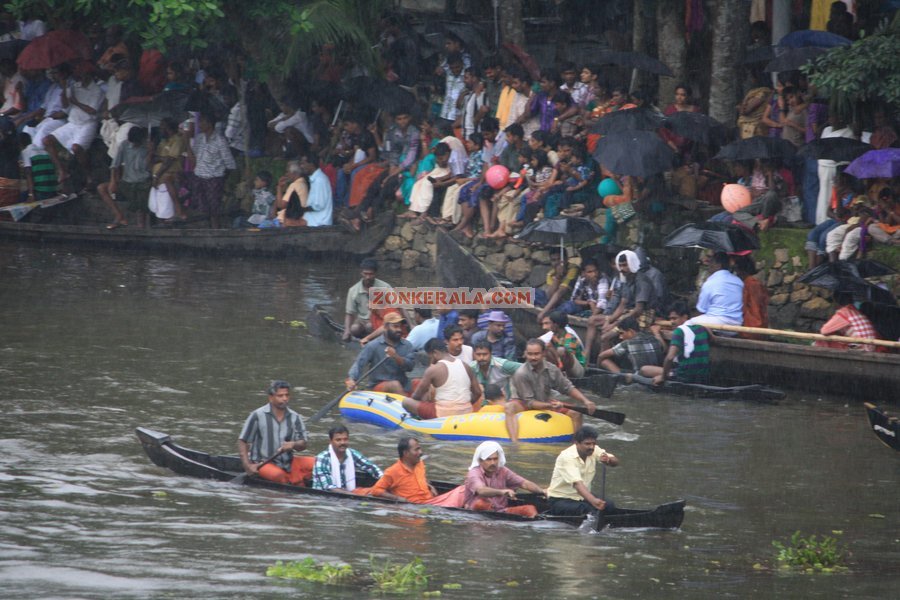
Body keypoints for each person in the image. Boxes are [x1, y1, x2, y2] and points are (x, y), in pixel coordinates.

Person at [508, 339, 597, 442]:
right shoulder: (521, 373)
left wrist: (586, 401)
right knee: (509, 407)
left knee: (577, 412)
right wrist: (551, 405)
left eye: (536, 354)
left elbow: (567, 388)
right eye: (530, 354)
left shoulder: (552, 369)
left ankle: (576, 444)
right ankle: (514, 442)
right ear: (525, 354)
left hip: (544, 401)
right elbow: (529, 402)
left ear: (544, 353)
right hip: (522, 403)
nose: (533, 357)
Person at [44, 61, 104, 191]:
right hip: (72, 123)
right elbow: (65, 106)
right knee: (47, 140)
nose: (80, 76)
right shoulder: (74, 87)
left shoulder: (97, 90)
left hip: (87, 124)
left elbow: (92, 110)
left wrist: (76, 102)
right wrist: (64, 88)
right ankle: (62, 171)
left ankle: (89, 176)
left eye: (83, 74)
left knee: (77, 148)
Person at [237, 380, 309, 485]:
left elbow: (303, 444)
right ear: (271, 398)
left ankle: (296, 479)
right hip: (263, 463)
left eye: (287, 395)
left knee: (318, 463)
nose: (285, 399)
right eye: (280, 396)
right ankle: (295, 482)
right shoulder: (258, 415)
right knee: (278, 475)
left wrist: (293, 444)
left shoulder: (295, 417)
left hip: (289, 462)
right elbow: (242, 441)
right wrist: (247, 466)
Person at [546, 426, 619, 517]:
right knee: (590, 510)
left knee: (609, 505)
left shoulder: (594, 449)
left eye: (593, 443)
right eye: (587, 444)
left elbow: (615, 461)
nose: (591, 447)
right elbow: (577, 484)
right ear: (577, 443)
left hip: (582, 497)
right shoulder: (567, 457)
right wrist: (593, 501)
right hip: (560, 500)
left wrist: (608, 460)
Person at [402, 338, 482, 419]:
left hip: (443, 413)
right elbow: (478, 392)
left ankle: (419, 422)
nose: (430, 360)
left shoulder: (433, 369)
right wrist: (463, 405)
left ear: (435, 353)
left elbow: (416, 396)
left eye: (430, 357)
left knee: (406, 402)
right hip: (466, 410)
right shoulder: (466, 365)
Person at [463, 441, 546, 517]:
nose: (493, 463)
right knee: (480, 504)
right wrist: (502, 492)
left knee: (530, 509)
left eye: (495, 459)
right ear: (480, 461)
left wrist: (542, 491)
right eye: (488, 459)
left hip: (501, 511)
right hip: (477, 512)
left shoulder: (503, 471)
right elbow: (481, 490)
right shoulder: (474, 473)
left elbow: (524, 483)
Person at [184, 111, 236, 228]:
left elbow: (229, 163)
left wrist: (222, 179)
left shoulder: (220, 140)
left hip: (214, 178)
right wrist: (187, 143)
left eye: (202, 122)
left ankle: (216, 231)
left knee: (214, 210)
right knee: (203, 209)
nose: (199, 125)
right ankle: (207, 230)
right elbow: (194, 161)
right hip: (199, 176)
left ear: (209, 123)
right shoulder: (199, 138)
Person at [641, 301, 711, 385]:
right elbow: (713, 338)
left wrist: (663, 377)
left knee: (644, 369)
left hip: (684, 376)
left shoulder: (679, 331)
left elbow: (670, 357)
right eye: (670, 319)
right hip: (703, 375)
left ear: (685, 317)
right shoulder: (702, 328)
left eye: (675, 318)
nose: (672, 322)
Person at [345, 312, 415, 394]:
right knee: (394, 385)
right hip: (379, 387)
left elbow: (410, 367)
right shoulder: (373, 346)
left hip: (403, 384)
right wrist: (351, 379)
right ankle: (407, 405)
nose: (399, 330)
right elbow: (359, 364)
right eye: (395, 326)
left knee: (418, 382)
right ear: (385, 327)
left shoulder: (407, 345)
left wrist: (396, 357)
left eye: (400, 326)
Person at [97, 126, 151, 229]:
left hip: (142, 183)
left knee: (140, 205)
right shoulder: (124, 145)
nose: (134, 144)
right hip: (126, 182)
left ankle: (141, 228)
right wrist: (113, 180)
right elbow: (114, 165)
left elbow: (148, 167)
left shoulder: (147, 147)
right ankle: (119, 216)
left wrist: (150, 152)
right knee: (102, 188)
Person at [311, 425, 383, 493]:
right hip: (323, 499)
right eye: (338, 440)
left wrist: (385, 481)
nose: (343, 443)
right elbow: (329, 487)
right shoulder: (322, 458)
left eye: (345, 439)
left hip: (346, 495)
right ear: (330, 441)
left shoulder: (352, 453)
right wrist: (355, 497)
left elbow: (372, 467)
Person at [369, 436, 437, 503]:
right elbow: (376, 490)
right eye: (416, 449)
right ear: (406, 453)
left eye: (420, 449)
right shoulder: (393, 471)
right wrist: (397, 498)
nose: (421, 452)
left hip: (430, 502)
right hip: (414, 507)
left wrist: (430, 487)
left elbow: (419, 480)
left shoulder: (420, 463)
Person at [686, 252, 744, 327]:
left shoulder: (711, 282)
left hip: (717, 321)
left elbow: (701, 309)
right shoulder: (738, 281)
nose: (709, 265)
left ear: (718, 265)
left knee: (686, 326)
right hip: (737, 323)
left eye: (711, 262)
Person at [596, 316, 663, 378]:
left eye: (622, 333)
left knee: (605, 361)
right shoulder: (653, 338)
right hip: (653, 374)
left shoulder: (627, 343)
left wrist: (598, 368)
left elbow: (601, 356)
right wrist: (656, 333)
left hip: (636, 377)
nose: (620, 337)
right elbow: (664, 348)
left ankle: (618, 378)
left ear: (631, 331)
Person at [342, 258, 392, 341]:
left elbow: (398, 305)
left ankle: (374, 339)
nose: (368, 277)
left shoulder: (385, 287)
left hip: (379, 320)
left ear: (375, 273)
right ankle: (365, 339)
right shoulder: (353, 290)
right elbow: (349, 313)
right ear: (361, 273)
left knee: (370, 326)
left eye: (371, 274)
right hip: (362, 320)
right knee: (354, 328)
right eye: (365, 274)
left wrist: (410, 324)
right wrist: (347, 330)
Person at [813, 291, 878, 352]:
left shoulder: (844, 312)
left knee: (822, 340)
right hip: (870, 348)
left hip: (861, 350)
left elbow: (824, 331)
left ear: (835, 301)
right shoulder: (855, 311)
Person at [545, 311, 587, 379]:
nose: (549, 326)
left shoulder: (570, 338)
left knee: (561, 350)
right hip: (562, 367)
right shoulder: (555, 336)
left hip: (577, 371)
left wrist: (553, 350)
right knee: (546, 349)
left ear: (555, 325)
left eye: (550, 323)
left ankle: (561, 377)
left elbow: (567, 359)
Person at [733, 255, 769, 330]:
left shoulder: (751, 284)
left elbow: (755, 308)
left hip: (752, 325)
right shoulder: (750, 283)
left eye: (736, 270)